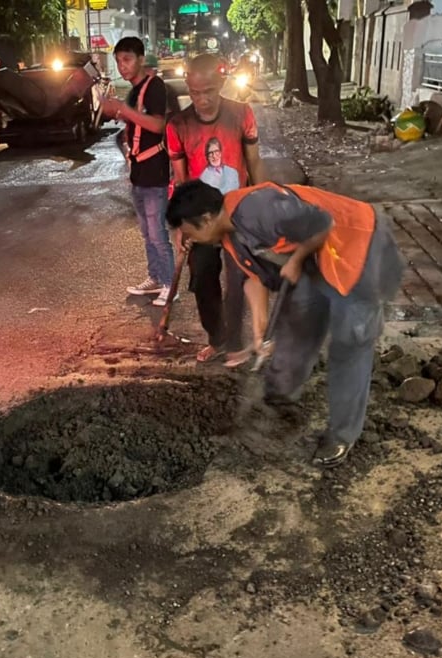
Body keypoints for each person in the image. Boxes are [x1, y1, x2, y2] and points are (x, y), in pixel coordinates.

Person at [166, 180, 404, 468]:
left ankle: (342, 435)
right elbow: (254, 280)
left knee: (351, 340)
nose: (186, 239)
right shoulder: (229, 235)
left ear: (205, 219)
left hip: (357, 243)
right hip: (316, 259)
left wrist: (297, 259)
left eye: (187, 232)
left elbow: (321, 223)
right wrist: (260, 332)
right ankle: (277, 404)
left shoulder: (258, 208)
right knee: (297, 323)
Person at [166, 53, 266, 364]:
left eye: (208, 91)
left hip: (237, 216)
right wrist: (181, 226)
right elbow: (180, 180)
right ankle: (217, 337)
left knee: (238, 280)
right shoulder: (179, 125)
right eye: (194, 92)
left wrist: (262, 203)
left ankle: (235, 341)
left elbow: (254, 163)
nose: (201, 99)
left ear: (221, 84)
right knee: (203, 279)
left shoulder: (241, 114)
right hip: (201, 220)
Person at [102, 37, 175, 308]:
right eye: (119, 60)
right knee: (147, 232)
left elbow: (157, 125)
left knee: (157, 233)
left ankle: (169, 283)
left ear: (141, 59)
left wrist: (123, 110)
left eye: (127, 59)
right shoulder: (134, 90)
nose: (122, 66)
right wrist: (118, 112)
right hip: (139, 173)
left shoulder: (155, 87)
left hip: (155, 172)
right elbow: (135, 123)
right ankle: (155, 278)